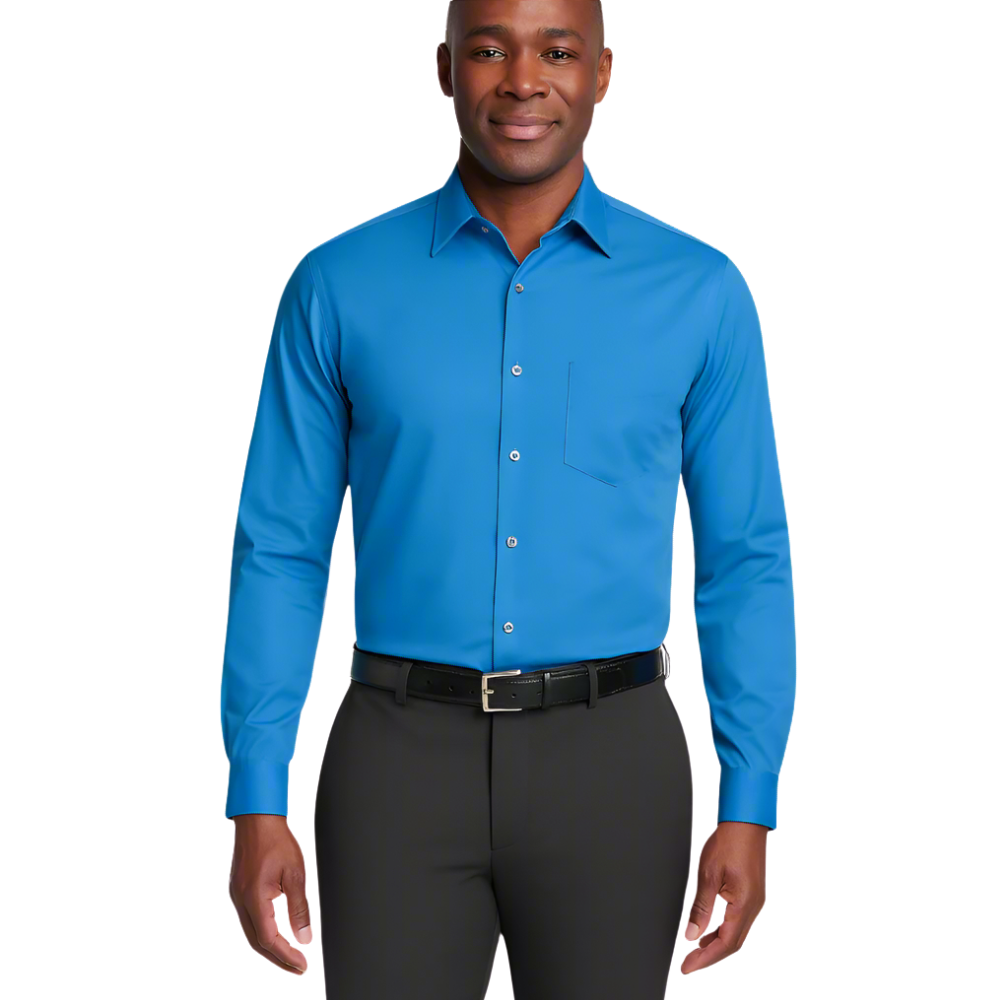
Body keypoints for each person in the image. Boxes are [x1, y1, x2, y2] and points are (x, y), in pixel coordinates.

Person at [221, 1, 796, 997]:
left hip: (613, 766)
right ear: (446, 68)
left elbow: (745, 558)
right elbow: (280, 548)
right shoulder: (337, 286)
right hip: (395, 763)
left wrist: (749, 798)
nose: (524, 80)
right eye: (490, 49)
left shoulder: (700, 294)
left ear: (602, 72)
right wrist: (255, 789)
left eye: (557, 50)